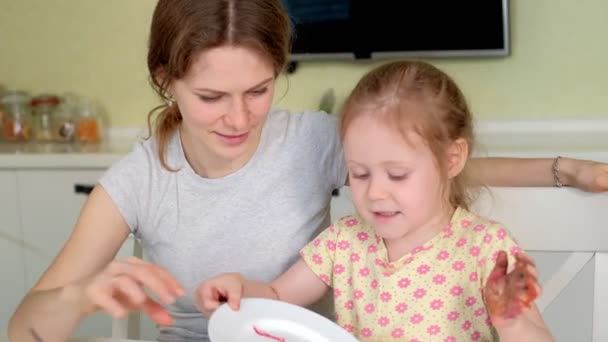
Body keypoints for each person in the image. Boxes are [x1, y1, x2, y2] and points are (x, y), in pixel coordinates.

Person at [7, 0, 607, 341]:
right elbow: (25, 327)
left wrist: (565, 170)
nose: (239, 118)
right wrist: (85, 295)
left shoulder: (312, 142)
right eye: (212, 96)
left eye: (259, 90)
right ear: (167, 80)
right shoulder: (138, 182)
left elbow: (428, 166)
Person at [197, 60, 554, 341]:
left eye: (397, 175)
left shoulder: (485, 248)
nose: (375, 193)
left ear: (451, 160)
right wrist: (239, 289)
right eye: (360, 174)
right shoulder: (346, 241)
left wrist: (511, 324)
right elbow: (276, 295)